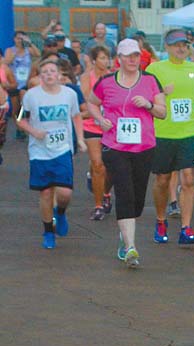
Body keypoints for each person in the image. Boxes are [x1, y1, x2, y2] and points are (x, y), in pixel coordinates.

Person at [87, 39, 166, 267]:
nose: (132, 60)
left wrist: (148, 105)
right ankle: (131, 247)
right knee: (124, 193)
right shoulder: (106, 82)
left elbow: (162, 112)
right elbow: (92, 103)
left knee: (137, 200)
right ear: (119, 58)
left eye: (136, 55)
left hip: (144, 147)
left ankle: (125, 235)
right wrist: (100, 119)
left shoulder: (150, 81)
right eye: (128, 56)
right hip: (115, 146)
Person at [16, 59, 86, 248]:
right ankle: (48, 232)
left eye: (52, 71)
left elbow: (76, 116)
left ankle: (60, 213)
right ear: (40, 76)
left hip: (63, 148)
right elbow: (20, 119)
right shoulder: (31, 96)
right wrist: (34, 131)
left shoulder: (69, 94)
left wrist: (80, 139)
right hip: (39, 151)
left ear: (59, 75)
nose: (49, 74)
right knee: (46, 192)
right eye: (45, 71)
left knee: (65, 193)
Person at [146, 29, 194, 245]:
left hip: (188, 131)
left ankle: (186, 227)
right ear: (167, 47)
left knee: (188, 178)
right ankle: (161, 220)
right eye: (176, 45)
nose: (181, 48)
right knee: (162, 179)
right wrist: (162, 92)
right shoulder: (155, 69)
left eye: (184, 45)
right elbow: (145, 97)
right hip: (163, 132)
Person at [80, 45, 112, 220]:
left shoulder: (113, 76)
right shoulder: (87, 77)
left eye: (107, 58)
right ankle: (98, 205)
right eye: (102, 58)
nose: (105, 61)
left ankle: (105, 192)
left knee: (109, 166)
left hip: (110, 125)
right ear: (93, 60)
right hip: (91, 125)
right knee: (98, 164)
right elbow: (87, 100)